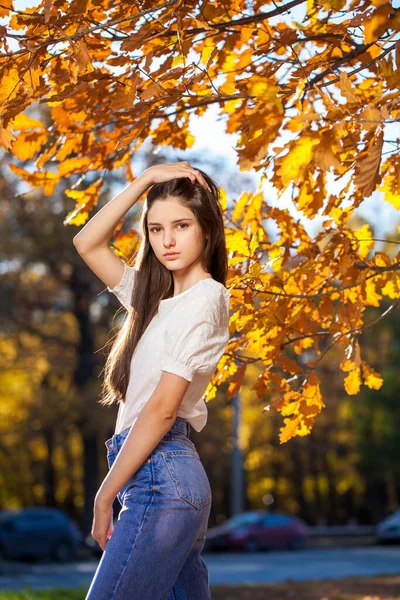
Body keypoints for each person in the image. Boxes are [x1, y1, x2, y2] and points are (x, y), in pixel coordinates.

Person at [73, 161, 230, 600]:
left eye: (181, 225)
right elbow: (86, 242)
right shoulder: (153, 298)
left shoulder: (206, 298)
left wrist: (106, 495)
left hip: (162, 477)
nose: (168, 240)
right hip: (163, 478)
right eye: (156, 229)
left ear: (207, 230)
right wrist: (143, 182)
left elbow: (162, 410)